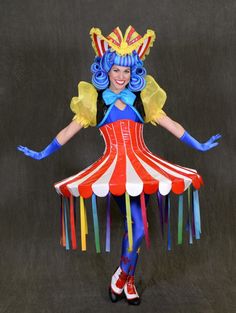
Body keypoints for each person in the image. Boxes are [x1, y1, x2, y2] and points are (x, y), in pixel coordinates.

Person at [17, 26, 221, 305]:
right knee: (137, 227)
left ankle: (126, 278)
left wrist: (197, 144)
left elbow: (170, 124)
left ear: (133, 71)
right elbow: (67, 132)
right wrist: (43, 153)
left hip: (143, 167)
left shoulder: (142, 98)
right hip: (113, 173)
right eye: (116, 70)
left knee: (135, 227)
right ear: (105, 70)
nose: (122, 77)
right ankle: (124, 276)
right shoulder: (95, 102)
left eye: (126, 71)